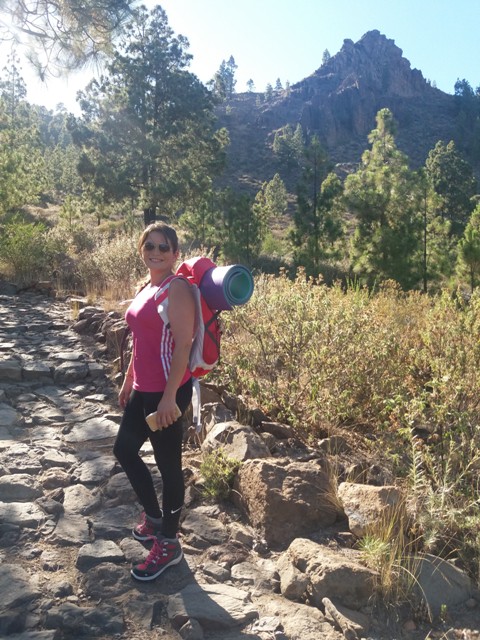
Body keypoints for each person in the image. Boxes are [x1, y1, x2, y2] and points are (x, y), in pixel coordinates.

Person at [113, 222, 195, 582]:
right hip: (144, 388)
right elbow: (141, 340)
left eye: (164, 247)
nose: (156, 252)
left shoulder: (177, 288)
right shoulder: (146, 287)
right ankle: (154, 517)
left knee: (168, 465)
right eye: (150, 245)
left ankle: (169, 543)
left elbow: (184, 345)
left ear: (175, 253)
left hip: (167, 391)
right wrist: (129, 379)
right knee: (124, 450)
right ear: (141, 249)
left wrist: (169, 398)